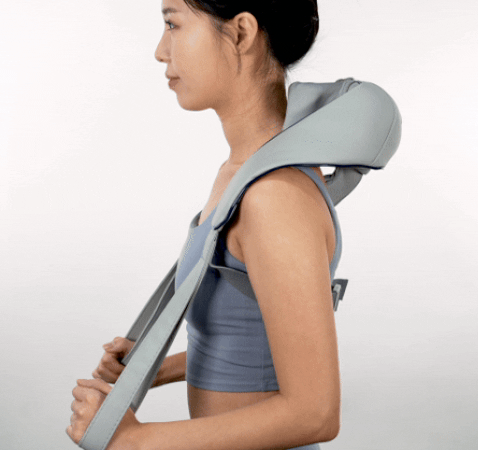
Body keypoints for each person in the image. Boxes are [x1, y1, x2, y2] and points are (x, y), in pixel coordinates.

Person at [68, 1, 340, 449]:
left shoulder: (274, 196)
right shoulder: (240, 174)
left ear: (241, 33)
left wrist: (135, 440)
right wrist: (155, 367)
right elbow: (251, 343)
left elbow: (315, 414)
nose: (161, 50)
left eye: (172, 24)